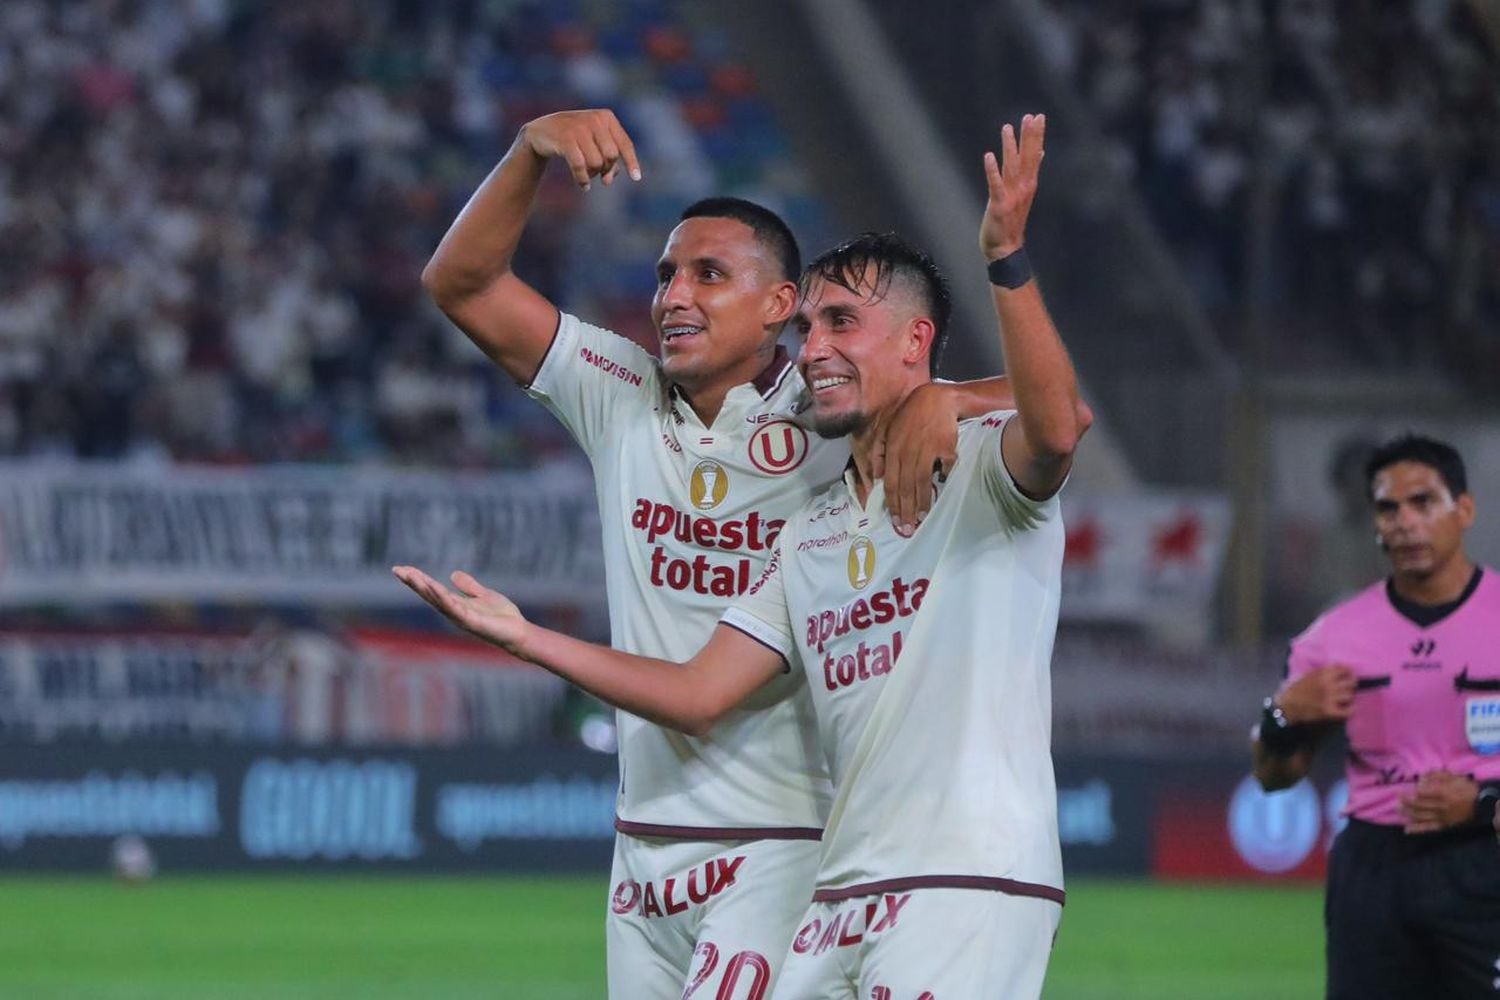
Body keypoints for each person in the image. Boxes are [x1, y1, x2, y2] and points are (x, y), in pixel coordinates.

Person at [401, 112, 1087, 998]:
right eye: (665, 275)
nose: (674, 295)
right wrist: (531, 148)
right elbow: (459, 282)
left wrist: (946, 401)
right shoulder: (620, 395)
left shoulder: (829, 399)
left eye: (708, 274)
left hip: (791, 838)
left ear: (777, 308)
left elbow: (1048, 414)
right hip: (645, 839)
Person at [1252, 434, 1500, 1000]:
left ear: (1464, 509)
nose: (1405, 522)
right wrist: (1281, 716)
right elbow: (1273, 776)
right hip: (1373, 868)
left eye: (1423, 503)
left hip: (1484, 859)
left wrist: (1483, 806)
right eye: (1388, 508)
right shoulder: (1334, 635)